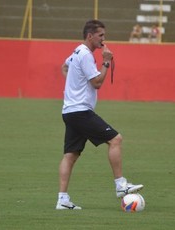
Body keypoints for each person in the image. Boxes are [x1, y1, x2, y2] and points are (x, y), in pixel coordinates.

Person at [56, 20, 143, 210]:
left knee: (70, 155)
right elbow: (97, 83)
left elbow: (64, 67)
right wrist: (106, 62)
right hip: (80, 111)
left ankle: (62, 200)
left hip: (70, 111)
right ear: (90, 36)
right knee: (115, 139)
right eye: (101, 35)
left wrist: (74, 85)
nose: (104, 39)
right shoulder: (86, 55)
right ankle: (121, 185)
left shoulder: (76, 51)